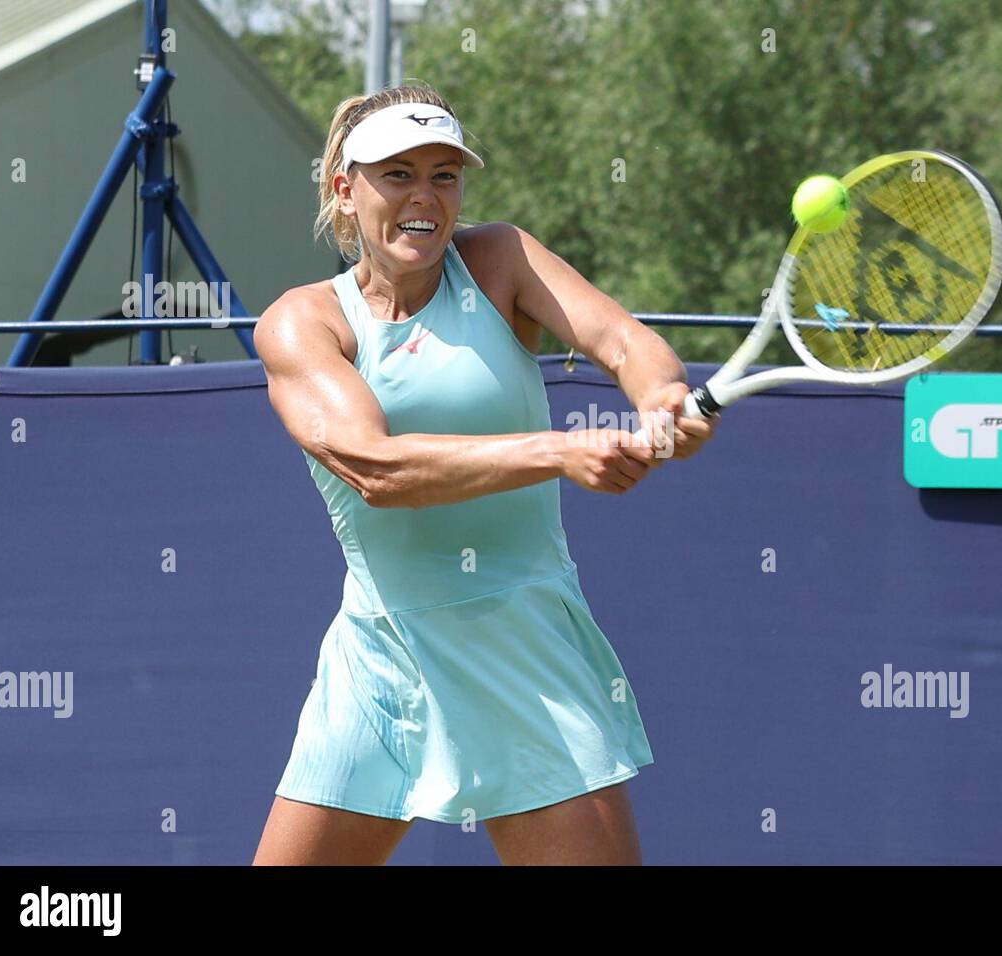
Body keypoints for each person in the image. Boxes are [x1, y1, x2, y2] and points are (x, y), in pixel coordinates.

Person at [250, 84, 715, 865]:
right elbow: (378, 471)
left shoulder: (499, 260)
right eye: (397, 174)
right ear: (344, 187)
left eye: (445, 174)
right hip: (378, 663)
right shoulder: (303, 322)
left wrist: (661, 395)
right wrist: (560, 451)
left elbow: (622, 339)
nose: (425, 197)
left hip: (526, 648)